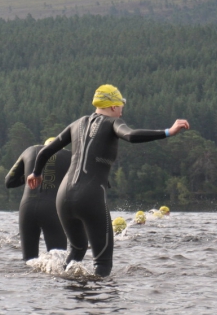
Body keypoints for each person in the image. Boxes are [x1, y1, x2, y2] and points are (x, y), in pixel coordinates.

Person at [26, 84, 189, 277]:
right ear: (112, 106)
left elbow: (45, 151)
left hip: (63, 197)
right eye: (120, 107)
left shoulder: (76, 124)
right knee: (102, 262)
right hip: (90, 196)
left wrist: (35, 173)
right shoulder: (111, 123)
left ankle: (66, 303)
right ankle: (101, 306)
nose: (121, 113)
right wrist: (168, 131)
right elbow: (130, 135)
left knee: (77, 251)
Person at [5, 137, 71, 261]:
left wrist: (30, 177)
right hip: (52, 209)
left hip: (27, 207)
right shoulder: (69, 155)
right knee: (58, 259)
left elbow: (9, 181)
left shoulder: (29, 150)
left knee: (28, 261)